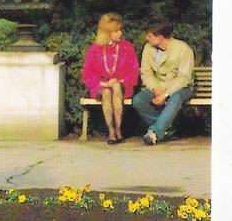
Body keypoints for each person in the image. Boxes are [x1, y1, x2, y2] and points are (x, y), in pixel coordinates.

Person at [132, 20, 194, 145]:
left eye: (150, 36)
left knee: (175, 98)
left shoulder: (183, 49)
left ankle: (155, 132)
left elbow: (184, 78)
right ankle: (167, 127)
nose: (146, 38)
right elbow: (146, 72)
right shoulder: (148, 48)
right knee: (138, 100)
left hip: (180, 88)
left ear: (159, 37)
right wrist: (155, 88)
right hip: (157, 87)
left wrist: (165, 94)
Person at [81, 12, 140, 144]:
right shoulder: (94, 49)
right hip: (101, 86)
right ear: (107, 33)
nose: (120, 33)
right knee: (107, 91)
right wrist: (104, 83)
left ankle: (118, 129)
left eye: (120, 30)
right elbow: (87, 74)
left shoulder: (127, 47)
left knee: (116, 87)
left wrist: (119, 81)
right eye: (116, 31)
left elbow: (134, 70)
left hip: (123, 85)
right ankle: (111, 131)